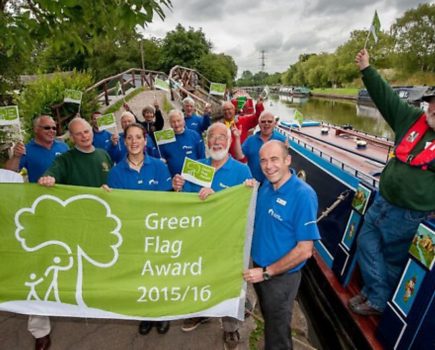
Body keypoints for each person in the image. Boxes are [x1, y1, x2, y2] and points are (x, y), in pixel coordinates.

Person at [349, 49, 434, 316]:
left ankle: (376, 298)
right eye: (433, 103)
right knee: (366, 241)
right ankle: (378, 293)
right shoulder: (410, 119)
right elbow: (385, 97)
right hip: (384, 200)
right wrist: (366, 68)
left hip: (410, 212)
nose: (434, 108)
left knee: (393, 258)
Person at [172, 122, 252, 349]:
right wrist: (178, 187)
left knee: (228, 282)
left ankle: (231, 328)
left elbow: (245, 207)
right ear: (206, 143)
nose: (217, 141)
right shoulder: (195, 167)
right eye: (212, 137)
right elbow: (183, 204)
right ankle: (201, 312)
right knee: (199, 277)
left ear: (228, 141)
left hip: (227, 241)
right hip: (198, 238)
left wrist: (219, 199)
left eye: (221, 137)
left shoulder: (242, 171)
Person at [243, 140, 320, 350]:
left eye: (275, 159)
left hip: (280, 279)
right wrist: (246, 192)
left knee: (278, 331)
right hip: (260, 269)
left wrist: (266, 273)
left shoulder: (303, 195)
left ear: (287, 160)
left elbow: (305, 251)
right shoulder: (266, 186)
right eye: (264, 161)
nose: (269, 166)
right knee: (270, 318)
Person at [105, 123, 171, 335]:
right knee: (141, 275)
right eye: (130, 138)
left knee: (159, 274)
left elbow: (168, 201)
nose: (134, 142)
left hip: (157, 232)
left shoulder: (159, 167)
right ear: (124, 142)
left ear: (145, 141)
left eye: (138, 137)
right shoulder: (115, 173)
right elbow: (117, 208)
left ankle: (162, 314)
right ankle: (145, 314)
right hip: (132, 234)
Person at [38, 118, 112, 187]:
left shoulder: (103, 154)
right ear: (72, 138)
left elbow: (114, 179)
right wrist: (47, 179)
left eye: (86, 131)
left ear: (92, 132)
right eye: (78, 134)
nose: (84, 136)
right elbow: (51, 174)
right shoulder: (64, 160)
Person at [5, 115, 68, 182]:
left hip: (65, 191)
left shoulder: (63, 146)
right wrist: (16, 157)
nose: (51, 130)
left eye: (54, 128)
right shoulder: (26, 149)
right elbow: (9, 173)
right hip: (41, 191)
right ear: (36, 129)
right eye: (47, 128)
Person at [233, 111, 287, 182]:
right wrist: (237, 138)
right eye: (263, 121)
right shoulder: (250, 140)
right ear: (259, 124)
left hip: (275, 183)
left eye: (269, 121)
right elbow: (239, 156)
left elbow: (285, 164)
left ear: (274, 124)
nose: (266, 123)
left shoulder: (281, 140)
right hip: (254, 183)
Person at [158, 109, 205, 176]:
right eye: (173, 122)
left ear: (184, 121)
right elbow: (162, 157)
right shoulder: (164, 138)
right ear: (170, 124)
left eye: (178, 121)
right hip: (174, 180)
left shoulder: (194, 135)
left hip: (192, 178)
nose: (176, 124)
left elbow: (202, 157)